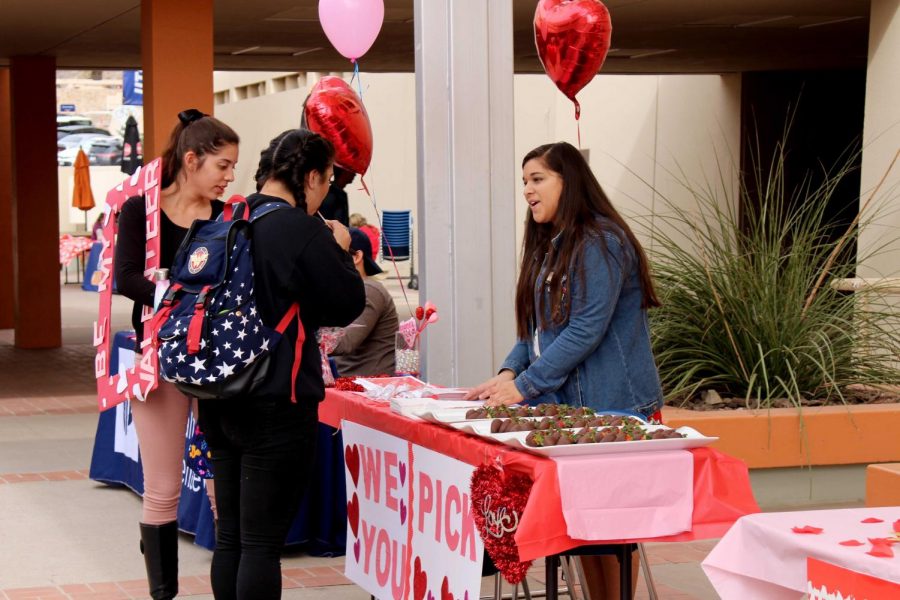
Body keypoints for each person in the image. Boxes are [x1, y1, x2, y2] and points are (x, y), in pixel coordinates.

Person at [466, 141, 663, 600]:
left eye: (537, 180)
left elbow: (584, 330)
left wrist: (528, 385)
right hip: (576, 412)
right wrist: (510, 373)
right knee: (586, 530)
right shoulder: (552, 244)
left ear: (568, 182)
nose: (528, 192)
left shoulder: (603, 241)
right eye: (524, 183)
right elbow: (535, 330)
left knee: (610, 533)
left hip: (617, 411)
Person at [198, 128, 365, 600]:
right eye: (327, 182)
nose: (325, 193)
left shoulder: (230, 216)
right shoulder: (298, 227)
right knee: (261, 545)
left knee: (230, 536)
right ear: (310, 176)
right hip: (275, 399)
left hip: (219, 395)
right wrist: (340, 248)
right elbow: (347, 301)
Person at [115, 109, 239, 600]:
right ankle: (163, 593)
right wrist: (180, 296)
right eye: (222, 166)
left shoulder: (230, 218)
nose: (230, 177)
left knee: (220, 487)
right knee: (162, 487)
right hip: (159, 360)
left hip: (217, 363)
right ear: (191, 160)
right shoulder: (140, 211)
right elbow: (126, 277)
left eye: (233, 167)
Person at [330, 227, 399, 376]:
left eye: (333, 253)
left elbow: (345, 343)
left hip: (369, 388)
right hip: (348, 383)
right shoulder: (347, 290)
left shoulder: (369, 290)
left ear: (356, 257)